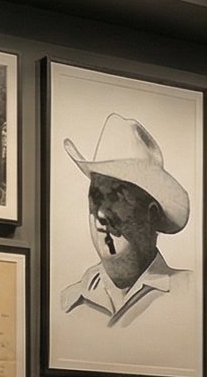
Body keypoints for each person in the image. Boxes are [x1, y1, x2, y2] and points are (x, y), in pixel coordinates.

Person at [59, 113, 193, 331]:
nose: (101, 215)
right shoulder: (68, 302)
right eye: (95, 199)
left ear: (151, 214)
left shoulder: (189, 294)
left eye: (115, 198)